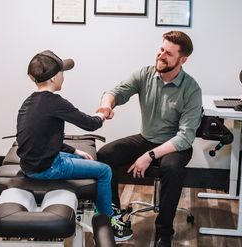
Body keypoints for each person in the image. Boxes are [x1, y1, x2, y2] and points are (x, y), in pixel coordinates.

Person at [96, 31, 202, 247]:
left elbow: (185, 136)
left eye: (168, 54)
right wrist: (107, 105)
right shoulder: (145, 74)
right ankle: (114, 218)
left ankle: (164, 233)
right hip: (147, 138)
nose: (160, 56)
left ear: (182, 60)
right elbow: (116, 91)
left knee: (172, 170)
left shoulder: (191, 89)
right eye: (161, 49)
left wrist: (149, 155)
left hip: (175, 145)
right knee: (104, 155)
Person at [16, 50, 133, 242]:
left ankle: (100, 204)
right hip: (48, 169)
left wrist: (74, 150)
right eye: (62, 72)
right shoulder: (55, 102)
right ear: (54, 78)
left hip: (31, 166)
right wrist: (104, 113)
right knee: (104, 171)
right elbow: (91, 123)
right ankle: (107, 222)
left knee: (84, 158)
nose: (64, 76)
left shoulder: (28, 102)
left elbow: (41, 138)